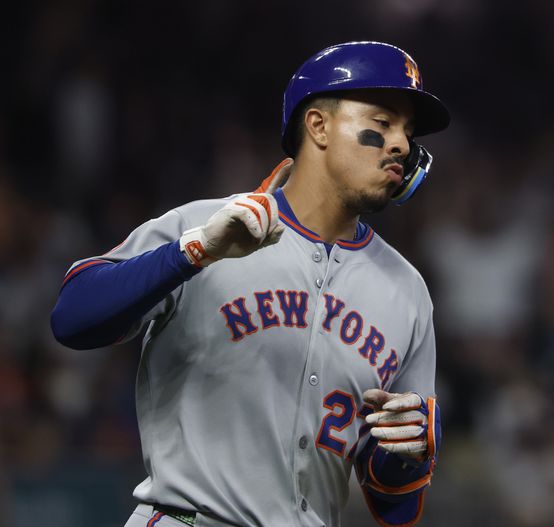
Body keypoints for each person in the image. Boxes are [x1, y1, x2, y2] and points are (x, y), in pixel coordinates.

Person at [51, 41, 449, 527]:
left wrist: (409, 454)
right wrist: (192, 253)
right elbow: (72, 319)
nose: (402, 145)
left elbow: (396, 507)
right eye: (383, 123)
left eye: (407, 133)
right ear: (318, 126)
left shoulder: (406, 292)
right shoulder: (209, 225)